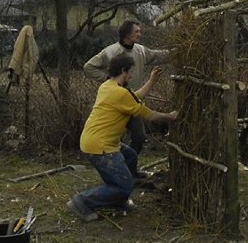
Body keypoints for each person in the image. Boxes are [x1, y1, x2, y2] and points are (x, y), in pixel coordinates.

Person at [68, 54, 178, 221]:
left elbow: (134, 97)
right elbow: (150, 115)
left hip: (95, 140)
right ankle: (82, 201)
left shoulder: (108, 86)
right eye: (130, 72)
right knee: (125, 186)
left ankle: (118, 198)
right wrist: (171, 116)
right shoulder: (119, 93)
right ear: (123, 71)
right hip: (100, 146)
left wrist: (152, 81)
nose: (132, 75)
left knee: (130, 155)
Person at [83, 19, 169, 165]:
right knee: (115, 137)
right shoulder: (110, 52)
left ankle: (130, 168)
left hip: (132, 101)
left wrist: (177, 52)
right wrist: (107, 79)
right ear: (127, 34)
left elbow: (157, 55)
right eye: (137, 31)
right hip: (115, 102)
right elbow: (89, 67)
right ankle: (116, 166)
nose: (140, 34)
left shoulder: (141, 51)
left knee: (139, 136)